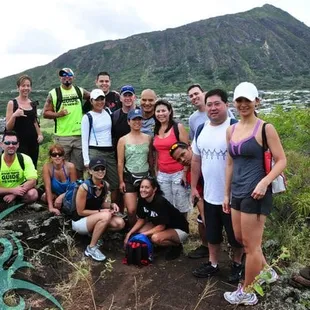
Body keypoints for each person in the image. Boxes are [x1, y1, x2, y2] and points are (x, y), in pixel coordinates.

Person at [223, 82, 286, 306]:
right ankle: (267, 271)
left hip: (256, 194)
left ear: (256, 102)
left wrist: (264, 182)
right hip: (237, 192)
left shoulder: (265, 128)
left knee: (251, 246)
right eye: (239, 100)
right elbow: (230, 163)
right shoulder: (231, 129)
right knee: (240, 238)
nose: (243, 104)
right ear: (234, 102)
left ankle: (247, 291)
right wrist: (226, 193)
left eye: (247, 100)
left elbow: (281, 160)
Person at [191, 89, 244, 283]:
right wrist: (194, 187)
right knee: (212, 232)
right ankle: (213, 263)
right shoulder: (201, 129)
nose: (213, 108)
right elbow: (196, 160)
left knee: (235, 235)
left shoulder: (236, 127)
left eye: (217, 104)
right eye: (209, 104)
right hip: (210, 193)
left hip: (233, 194)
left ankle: (238, 264)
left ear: (226, 105)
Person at [71, 158, 125, 262]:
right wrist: (102, 212)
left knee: (120, 223)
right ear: (90, 171)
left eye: (102, 168)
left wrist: (111, 205)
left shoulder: (105, 185)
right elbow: (80, 211)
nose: (100, 171)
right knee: (106, 216)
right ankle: (91, 248)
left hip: (93, 219)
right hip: (79, 221)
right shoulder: (84, 187)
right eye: (97, 169)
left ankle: (96, 236)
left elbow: (100, 203)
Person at [124, 177, 189, 261]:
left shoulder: (160, 201)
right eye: (142, 187)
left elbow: (161, 226)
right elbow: (141, 219)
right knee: (140, 231)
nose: (143, 190)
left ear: (154, 189)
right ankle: (161, 244)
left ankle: (176, 246)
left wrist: (143, 235)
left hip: (178, 228)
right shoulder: (142, 199)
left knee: (155, 238)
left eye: (147, 187)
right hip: (162, 225)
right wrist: (129, 234)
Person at [42, 68, 90, 178]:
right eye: (63, 75)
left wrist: (85, 109)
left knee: (78, 168)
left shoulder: (79, 91)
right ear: (60, 77)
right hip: (62, 137)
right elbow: (45, 113)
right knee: (61, 167)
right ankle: (64, 193)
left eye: (69, 74)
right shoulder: (54, 93)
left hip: (79, 136)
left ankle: (78, 192)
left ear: (73, 77)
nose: (66, 76)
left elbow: (92, 97)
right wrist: (59, 114)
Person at [169, 142, 209, 259]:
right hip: (206, 201)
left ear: (190, 148)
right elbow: (199, 198)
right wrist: (205, 216)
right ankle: (206, 246)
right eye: (179, 159)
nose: (183, 160)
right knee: (202, 221)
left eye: (183, 154)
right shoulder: (190, 175)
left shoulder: (207, 160)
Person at [81, 89, 119, 203]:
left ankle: (113, 207)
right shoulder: (87, 117)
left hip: (109, 151)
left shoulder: (107, 111)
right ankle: (96, 206)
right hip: (95, 151)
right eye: (96, 100)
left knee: (114, 182)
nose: (99, 102)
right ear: (91, 101)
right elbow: (84, 139)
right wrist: (86, 160)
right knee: (95, 182)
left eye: (102, 99)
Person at [153, 99, 190, 215]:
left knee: (181, 205)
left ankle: (183, 229)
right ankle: (171, 228)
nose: (161, 114)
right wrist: (156, 171)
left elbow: (187, 150)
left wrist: (185, 173)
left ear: (169, 111)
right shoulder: (156, 129)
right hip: (163, 174)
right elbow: (157, 152)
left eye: (163, 110)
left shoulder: (177, 127)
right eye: (158, 111)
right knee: (166, 204)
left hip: (178, 172)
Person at [117, 109, 153, 227]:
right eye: (134, 119)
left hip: (145, 176)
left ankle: (145, 232)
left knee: (146, 208)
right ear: (128, 121)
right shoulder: (123, 140)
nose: (137, 122)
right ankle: (133, 231)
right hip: (129, 177)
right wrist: (121, 181)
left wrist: (153, 175)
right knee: (131, 210)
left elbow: (150, 159)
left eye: (139, 119)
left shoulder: (148, 138)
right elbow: (120, 162)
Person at [5, 75, 43, 168]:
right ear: (18, 87)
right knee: (21, 166)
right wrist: (14, 115)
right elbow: (8, 127)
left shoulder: (32, 103)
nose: (26, 88)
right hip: (18, 143)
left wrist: (40, 134)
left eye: (28, 85)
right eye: (23, 86)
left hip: (33, 142)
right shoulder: (12, 103)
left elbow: (34, 121)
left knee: (33, 167)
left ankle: (33, 183)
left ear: (31, 87)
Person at [0, 131, 38, 205]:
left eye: (14, 143)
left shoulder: (24, 158)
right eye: (7, 143)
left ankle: (18, 204)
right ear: (1, 145)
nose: (11, 145)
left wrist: (14, 194)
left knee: (33, 194)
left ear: (18, 145)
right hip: (3, 192)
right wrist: (12, 190)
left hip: (19, 192)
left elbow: (32, 181)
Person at [41, 144, 77, 215]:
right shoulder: (47, 167)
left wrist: (61, 197)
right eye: (54, 154)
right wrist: (50, 207)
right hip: (55, 194)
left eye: (60, 154)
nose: (57, 156)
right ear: (51, 156)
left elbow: (74, 187)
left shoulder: (70, 166)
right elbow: (47, 188)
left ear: (63, 156)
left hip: (69, 193)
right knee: (44, 197)